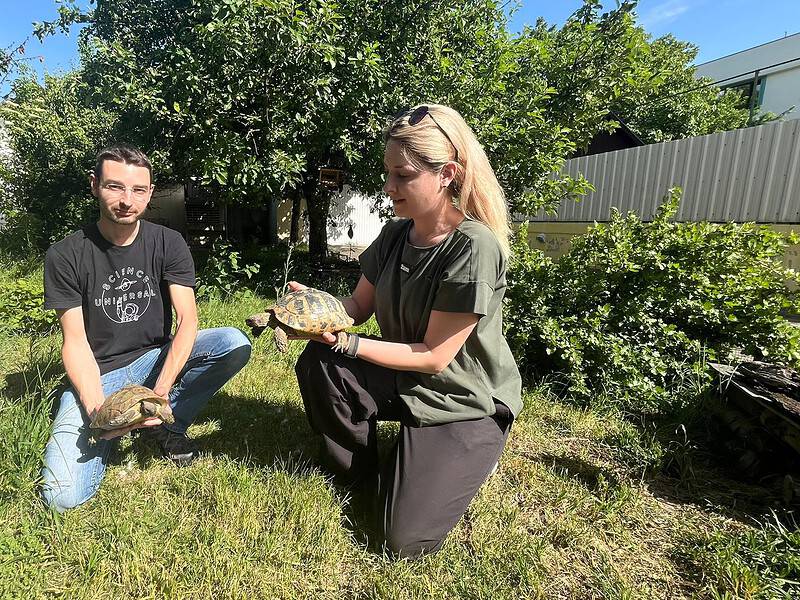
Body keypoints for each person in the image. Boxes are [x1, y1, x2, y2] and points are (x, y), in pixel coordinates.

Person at [292, 104, 522, 557]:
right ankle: (357, 472)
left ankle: (470, 450)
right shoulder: (396, 234)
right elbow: (357, 306)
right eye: (387, 173)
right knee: (321, 362)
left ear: (446, 174)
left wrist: (350, 343)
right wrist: (311, 308)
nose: (388, 187)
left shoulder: (473, 247)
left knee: (403, 540)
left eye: (402, 176)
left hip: (463, 397)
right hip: (407, 374)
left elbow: (436, 356)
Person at [42, 144, 252, 512]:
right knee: (61, 496)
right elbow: (74, 343)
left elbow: (188, 321)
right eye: (115, 187)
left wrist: (161, 391)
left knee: (233, 342)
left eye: (138, 190)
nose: (127, 200)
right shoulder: (66, 254)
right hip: (99, 373)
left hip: (154, 358)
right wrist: (96, 411)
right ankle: (117, 430)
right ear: (94, 186)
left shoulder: (167, 242)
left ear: (150, 193)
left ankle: (163, 424)